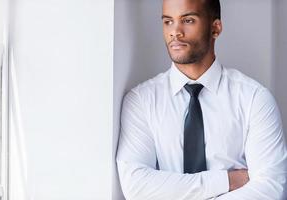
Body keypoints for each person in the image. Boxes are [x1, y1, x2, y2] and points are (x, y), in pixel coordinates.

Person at [116, 0, 287, 199]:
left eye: (188, 20)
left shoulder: (254, 99)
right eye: (168, 22)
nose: (175, 32)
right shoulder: (141, 101)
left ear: (215, 28)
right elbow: (137, 187)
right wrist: (226, 180)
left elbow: (271, 189)